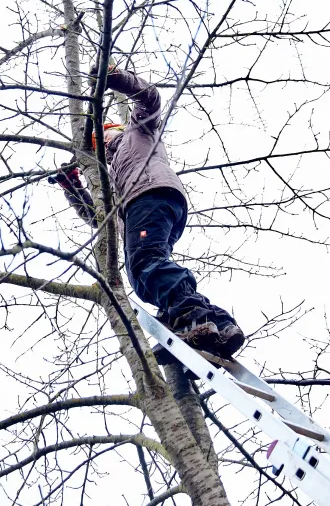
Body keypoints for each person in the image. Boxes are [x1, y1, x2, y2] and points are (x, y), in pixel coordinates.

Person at [49, 65, 245, 362]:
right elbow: (98, 217)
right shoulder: (112, 177)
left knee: (143, 263)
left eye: (103, 134)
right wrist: (71, 185)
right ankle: (217, 326)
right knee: (144, 268)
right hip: (147, 206)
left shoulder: (138, 132)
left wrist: (112, 78)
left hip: (152, 195)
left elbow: (150, 98)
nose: (100, 142)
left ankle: (194, 317)